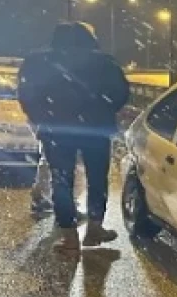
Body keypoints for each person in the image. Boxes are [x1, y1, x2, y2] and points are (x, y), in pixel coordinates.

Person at [18, 22, 130, 250]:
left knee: (61, 180)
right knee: (97, 179)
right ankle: (95, 228)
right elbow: (121, 93)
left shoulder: (38, 62)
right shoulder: (104, 62)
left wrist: (42, 117)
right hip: (95, 129)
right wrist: (103, 110)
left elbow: (26, 94)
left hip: (57, 129)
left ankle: (68, 235)